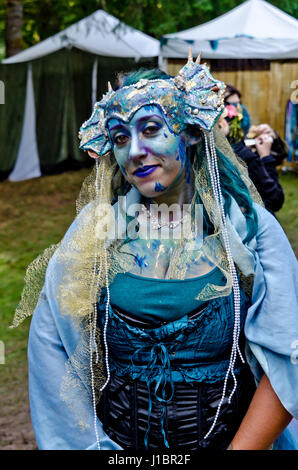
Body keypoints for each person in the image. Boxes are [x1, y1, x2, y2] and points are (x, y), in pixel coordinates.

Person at [12, 50, 298, 451]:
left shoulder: (249, 233)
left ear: (191, 132)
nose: (134, 152)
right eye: (120, 138)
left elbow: (287, 353)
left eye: (150, 129)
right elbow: (51, 347)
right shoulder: (95, 235)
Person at [218, 112, 284, 214]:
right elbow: (276, 199)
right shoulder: (247, 158)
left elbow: (280, 156)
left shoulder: (237, 150)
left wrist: (273, 137)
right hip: (254, 220)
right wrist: (266, 157)